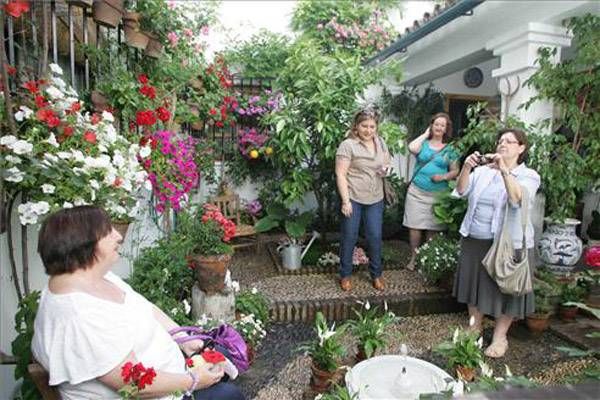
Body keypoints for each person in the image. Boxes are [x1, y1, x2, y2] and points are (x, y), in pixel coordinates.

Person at [31, 206, 245, 400]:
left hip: (171, 375)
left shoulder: (92, 278)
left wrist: (183, 339)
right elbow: (134, 383)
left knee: (222, 358)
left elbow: (146, 308)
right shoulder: (78, 316)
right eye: (107, 231)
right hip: (155, 393)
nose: (118, 235)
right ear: (84, 246)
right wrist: (194, 380)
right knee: (228, 395)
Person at [452, 128, 541, 358]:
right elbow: (461, 190)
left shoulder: (529, 175)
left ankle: (500, 336)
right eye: (501, 140)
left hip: (512, 243)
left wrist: (503, 169)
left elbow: (516, 199)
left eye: (510, 142)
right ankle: (474, 327)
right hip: (476, 237)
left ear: (521, 148)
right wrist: (467, 167)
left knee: (508, 288)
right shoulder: (482, 172)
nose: (503, 144)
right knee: (474, 285)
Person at [335, 108, 391, 292]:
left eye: (372, 126)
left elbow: (386, 163)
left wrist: (386, 169)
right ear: (356, 126)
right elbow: (340, 174)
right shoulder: (348, 145)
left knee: (375, 237)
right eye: (364, 126)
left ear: (377, 127)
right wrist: (345, 201)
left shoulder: (380, 142)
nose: (368, 130)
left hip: (375, 198)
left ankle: (376, 275)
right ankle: (345, 275)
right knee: (349, 237)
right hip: (353, 197)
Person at [404, 112, 459, 270]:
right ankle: (414, 257)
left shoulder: (450, 149)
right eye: (436, 124)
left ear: (446, 128)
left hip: (437, 194)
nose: (439, 127)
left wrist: (443, 177)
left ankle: (427, 259)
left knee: (432, 228)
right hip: (417, 192)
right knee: (414, 226)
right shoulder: (424, 144)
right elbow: (411, 147)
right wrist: (425, 134)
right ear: (432, 125)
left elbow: (455, 171)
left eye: (443, 125)